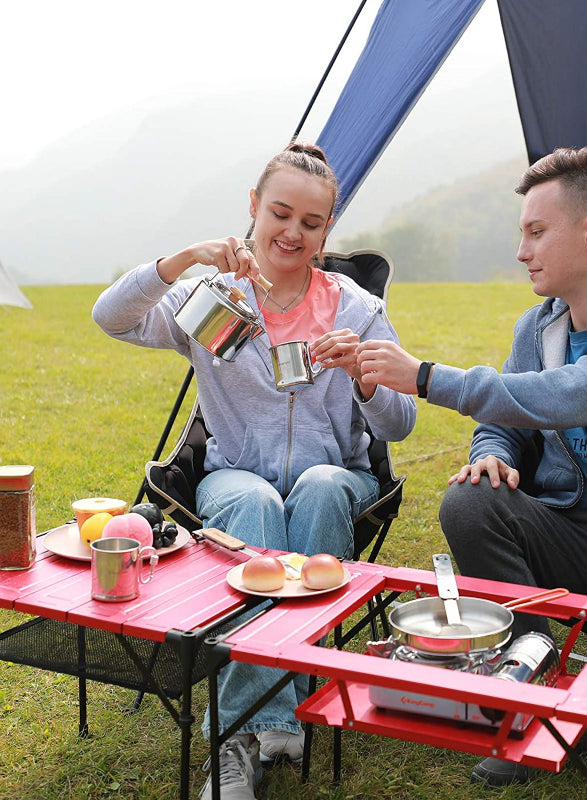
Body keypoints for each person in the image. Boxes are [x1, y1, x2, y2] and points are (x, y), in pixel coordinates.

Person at [355, 147, 587, 800]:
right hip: (569, 531)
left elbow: (566, 394)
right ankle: (543, 700)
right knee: (469, 504)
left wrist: (423, 378)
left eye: (536, 231)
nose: (522, 250)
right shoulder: (539, 325)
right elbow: (511, 419)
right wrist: (492, 454)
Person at [92, 142, 416, 800]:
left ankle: (259, 716)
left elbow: (399, 424)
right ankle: (260, 725)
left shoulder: (355, 308)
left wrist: (362, 373)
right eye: (280, 213)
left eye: (311, 222)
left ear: (329, 229)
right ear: (253, 209)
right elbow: (113, 318)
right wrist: (185, 259)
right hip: (234, 472)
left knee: (323, 490)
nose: (292, 232)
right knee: (254, 504)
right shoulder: (215, 298)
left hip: (338, 473)